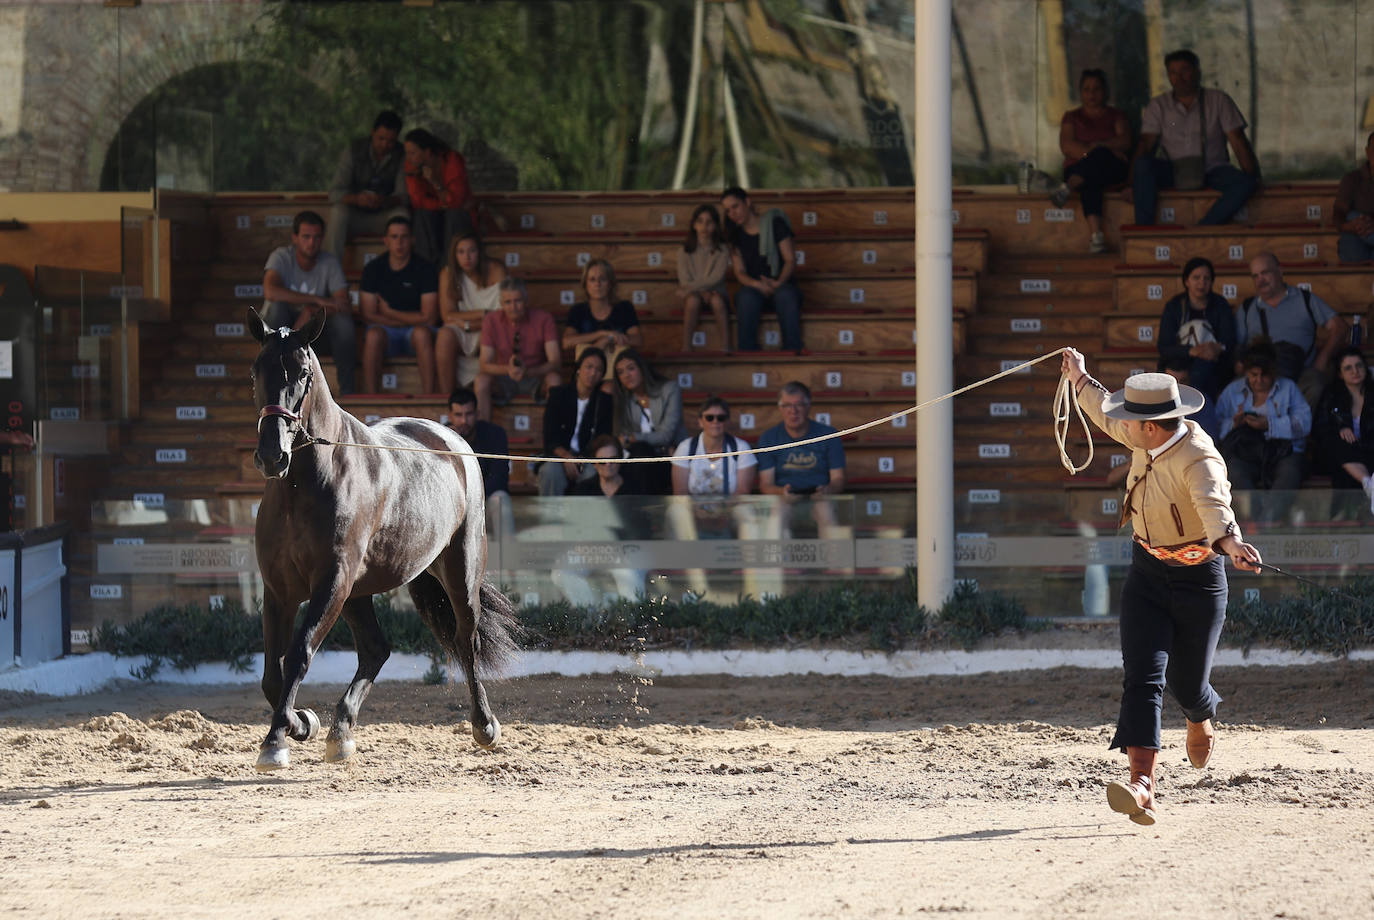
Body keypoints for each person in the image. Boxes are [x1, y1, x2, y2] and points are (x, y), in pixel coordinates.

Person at [1060, 348, 1263, 826]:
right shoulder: (1145, 439)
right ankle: (1142, 783)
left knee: (1186, 683)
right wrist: (1079, 378)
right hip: (1147, 572)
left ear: (1151, 426)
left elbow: (1214, 504)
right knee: (1143, 676)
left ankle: (1199, 713)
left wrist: (1230, 543)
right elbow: (1105, 411)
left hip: (1199, 578)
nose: (1122, 425)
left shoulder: (1200, 458)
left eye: (1130, 420)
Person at [1129, 49, 1260, 227]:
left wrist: (1254, 177)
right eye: (1173, 73)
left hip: (1212, 170)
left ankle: (1204, 228)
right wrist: (1131, 183)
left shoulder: (1218, 100)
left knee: (1245, 182)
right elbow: (1145, 144)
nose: (1179, 77)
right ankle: (1144, 232)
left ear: (1197, 72)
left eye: (1185, 70)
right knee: (1143, 164)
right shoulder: (1158, 105)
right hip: (1173, 170)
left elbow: (1238, 141)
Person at [260, 210, 356, 394]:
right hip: (281, 331)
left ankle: (348, 392)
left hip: (313, 332)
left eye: (317, 237)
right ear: (295, 238)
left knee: (344, 324)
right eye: (306, 237)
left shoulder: (329, 262)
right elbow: (270, 291)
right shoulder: (281, 256)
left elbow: (343, 304)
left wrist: (311, 310)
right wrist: (316, 300)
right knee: (277, 308)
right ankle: (271, 376)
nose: (311, 242)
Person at [1234, 252, 1348, 406]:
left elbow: (1339, 327)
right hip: (1260, 374)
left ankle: (1297, 428)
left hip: (1301, 372)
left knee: (1315, 384)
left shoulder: (1305, 299)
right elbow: (1237, 346)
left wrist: (1322, 360)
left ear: (1280, 271)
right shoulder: (1247, 307)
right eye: (1255, 276)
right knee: (1233, 390)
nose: (1260, 280)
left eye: (1265, 273)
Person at [1048, 69, 1131, 254]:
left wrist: (1098, 147)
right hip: (1081, 168)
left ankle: (1067, 187)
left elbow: (1125, 141)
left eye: (1097, 89)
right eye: (1087, 89)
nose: (1092, 94)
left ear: (1105, 91)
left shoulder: (1116, 115)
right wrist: (1098, 151)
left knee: (1097, 160)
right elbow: (1067, 146)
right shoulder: (1072, 117)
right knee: (1091, 180)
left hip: (1110, 170)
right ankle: (1096, 237)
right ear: (1080, 92)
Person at [1215, 342, 1312, 497]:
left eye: (1264, 375)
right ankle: (1257, 518)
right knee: (1234, 473)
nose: (1259, 380)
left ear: (1273, 372)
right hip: (1245, 451)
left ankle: (1270, 518)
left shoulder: (1289, 388)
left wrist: (1269, 424)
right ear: (1246, 372)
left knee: (1289, 473)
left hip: (1283, 452)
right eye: (1254, 375)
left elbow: (1304, 423)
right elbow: (1217, 425)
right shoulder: (1233, 391)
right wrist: (1235, 424)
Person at [358, 216, 439, 394]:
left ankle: (429, 397)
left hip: (415, 333)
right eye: (394, 237)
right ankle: (371, 397)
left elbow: (430, 317)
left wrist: (389, 312)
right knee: (373, 335)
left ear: (412, 240)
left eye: (404, 237)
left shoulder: (425, 268)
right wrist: (408, 319)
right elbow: (368, 315)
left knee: (421, 334)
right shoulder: (373, 269)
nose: (399, 242)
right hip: (389, 332)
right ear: (385, 240)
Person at [721, 186, 802, 352]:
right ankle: (748, 354)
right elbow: (740, 272)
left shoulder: (774, 223)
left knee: (786, 295)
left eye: (735, 206)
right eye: (728, 211)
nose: (732, 213)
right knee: (745, 298)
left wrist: (778, 283)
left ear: (748, 202)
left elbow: (790, 260)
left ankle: (792, 351)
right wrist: (758, 285)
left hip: (781, 283)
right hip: (754, 287)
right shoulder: (735, 235)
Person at [323, 110, 409, 264]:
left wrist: (384, 201)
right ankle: (331, 270)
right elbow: (334, 193)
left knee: (402, 215)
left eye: (390, 141)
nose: (385, 144)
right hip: (356, 215)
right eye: (381, 138)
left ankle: (401, 267)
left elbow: (404, 196)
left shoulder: (402, 154)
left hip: (384, 216)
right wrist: (357, 199)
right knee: (338, 212)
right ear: (372, 132)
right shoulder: (353, 151)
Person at [475, 277, 561, 421]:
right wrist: (508, 370)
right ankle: (483, 433)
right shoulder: (491, 320)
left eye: (518, 301)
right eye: (508, 302)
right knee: (481, 381)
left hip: (535, 376)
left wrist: (528, 371)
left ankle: (555, 436)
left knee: (555, 380)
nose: (513, 307)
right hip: (504, 379)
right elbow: (484, 364)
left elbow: (555, 362)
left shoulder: (544, 318)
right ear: (501, 303)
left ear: (526, 301)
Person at [1155, 256, 1236, 405]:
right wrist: (1192, 351)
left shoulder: (1220, 304)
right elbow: (1164, 346)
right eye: (1196, 278)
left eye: (1206, 278)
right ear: (1186, 281)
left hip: (1212, 360)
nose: (1202, 283)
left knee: (1204, 372)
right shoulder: (1174, 306)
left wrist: (1215, 348)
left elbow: (1229, 341)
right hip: (1180, 358)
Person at [435, 232, 506, 394]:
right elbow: (448, 315)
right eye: (461, 252)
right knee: (445, 334)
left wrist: (468, 324)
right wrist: (484, 313)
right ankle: (447, 397)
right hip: (465, 330)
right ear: (454, 255)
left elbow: (504, 316)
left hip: (491, 329)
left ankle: (491, 392)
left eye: (472, 251)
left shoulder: (496, 269)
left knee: (494, 332)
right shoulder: (448, 273)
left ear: (480, 252)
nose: (467, 257)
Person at [538, 347, 614, 496]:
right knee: (550, 471)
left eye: (598, 370)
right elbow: (550, 437)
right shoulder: (558, 394)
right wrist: (567, 457)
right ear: (578, 369)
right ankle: (549, 518)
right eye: (589, 367)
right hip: (559, 456)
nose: (593, 373)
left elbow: (602, 438)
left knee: (594, 473)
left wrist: (581, 460)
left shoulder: (603, 401)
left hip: (588, 459)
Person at [610, 349, 687, 494]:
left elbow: (666, 436)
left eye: (631, 369)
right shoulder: (624, 400)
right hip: (639, 458)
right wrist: (629, 440)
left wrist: (633, 437)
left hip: (669, 456)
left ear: (642, 369)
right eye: (620, 372)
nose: (626, 375)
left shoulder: (669, 389)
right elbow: (620, 438)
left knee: (640, 454)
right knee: (639, 454)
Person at [756, 381, 845, 498]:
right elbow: (766, 484)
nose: (793, 411)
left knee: (824, 511)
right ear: (780, 408)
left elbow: (838, 479)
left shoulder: (829, 435)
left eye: (799, 405)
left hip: (820, 498)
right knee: (780, 513)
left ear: (808, 406)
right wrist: (782, 492)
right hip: (783, 499)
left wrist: (826, 491)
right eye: (787, 405)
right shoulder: (768, 438)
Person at [446, 387, 514, 539]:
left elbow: (500, 478)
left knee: (500, 499)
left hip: (484, 502)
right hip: (453, 507)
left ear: (477, 414)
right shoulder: (442, 435)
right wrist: (452, 443)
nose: (464, 421)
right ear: (450, 415)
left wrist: (473, 501)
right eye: (458, 415)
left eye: (469, 414)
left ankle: (509, 560)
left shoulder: (494, 434)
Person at [1314, 347, 1374, 511]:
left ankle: (1368, 486)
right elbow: (1321, 429)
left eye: (1359, 366)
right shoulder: (1331, 395)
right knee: (1335, 445)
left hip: (1369, 451)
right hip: (1340, 454)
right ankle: (1368, 483)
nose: (1355, 371)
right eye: (1348, 368)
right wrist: (1340, 429)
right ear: (1340, 373)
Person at [402, 129, 475, 264]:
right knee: (422, 215)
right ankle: (427, 272)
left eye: (412, 153)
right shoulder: (410, 166)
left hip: (459, 216)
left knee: (454, 215)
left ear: (427, 152)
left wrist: (435, 183)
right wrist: (442, 205)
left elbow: (456, 202)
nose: (408, 157)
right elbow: (418, 201)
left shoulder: (452, 160)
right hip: (435, 215)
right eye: (407, 153)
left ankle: (449, 270)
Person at [560, 258, 643, 365]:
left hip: (619, 369)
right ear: (585, 284)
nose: (597, 284)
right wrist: (602, 334)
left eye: (602, 279)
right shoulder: (578, 310)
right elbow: (567, 342)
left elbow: (637, 340)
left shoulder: (624, 307)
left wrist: (608, 340)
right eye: (592, 279)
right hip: (589, 373)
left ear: (610, 283)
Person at [676, 204, 732, 350]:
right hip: (693, 294)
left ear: (715, 226)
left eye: (709, 222)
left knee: (717, 301)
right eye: (700, 221)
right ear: (694, 225)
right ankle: (686, 347)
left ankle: (726, 346)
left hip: (716, 291)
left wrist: (691, 288)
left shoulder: (723, 249)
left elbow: (716, 278)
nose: (704, 226)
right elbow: (684, 279)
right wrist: (699, 291)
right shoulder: (684, 250)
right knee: (693, 301)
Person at [1333, 132, 1374, 263]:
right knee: (1351, 218)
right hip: (1356, 238)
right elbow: (1338, 215)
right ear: (1367, 152)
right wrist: (1351, 226)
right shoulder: (1352, 179)